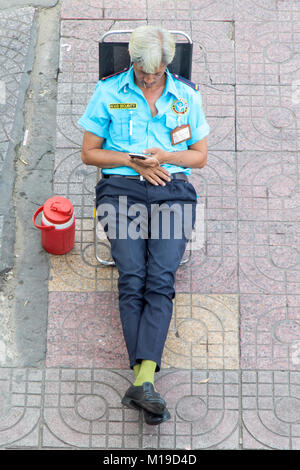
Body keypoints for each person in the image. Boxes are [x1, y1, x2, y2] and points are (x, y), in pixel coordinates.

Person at [78, 25, 210, 425]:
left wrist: (166, 155)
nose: (149, 79)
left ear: (168, 65)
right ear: (133, 62)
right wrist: (131, 161)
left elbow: (199, 157)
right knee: (132, 275)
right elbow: (89, 154)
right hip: (122, 190)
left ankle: (143, 382)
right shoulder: (109, 93)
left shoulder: (187, 96)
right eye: (142, 71)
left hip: (172, 188)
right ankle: (145, 381)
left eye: (156, 72)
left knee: (161, 277)